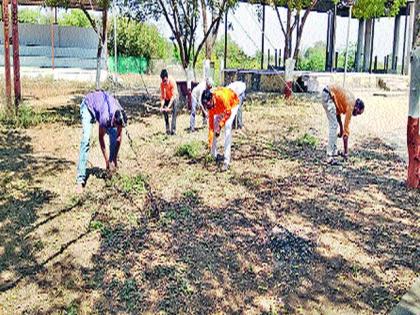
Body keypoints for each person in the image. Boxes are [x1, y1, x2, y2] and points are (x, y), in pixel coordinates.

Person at [76, 90, 127, 193]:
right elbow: (101, 138)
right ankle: (80, 180)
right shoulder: (105, 117)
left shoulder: (119, 112)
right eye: (118, 126)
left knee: (113, 136)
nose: (119, 129)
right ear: (114, 122)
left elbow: (118, 137)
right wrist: (107, 161)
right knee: (86, 139)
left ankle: (112, 167)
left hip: (102, 105)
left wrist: (114, 159)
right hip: (88, 106)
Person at [321, 84, 365, 165]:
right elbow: (346, 132)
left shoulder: (350, 101)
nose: (356, 115)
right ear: (357, 108)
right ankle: (329, 156)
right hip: (328, 95)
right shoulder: (351, 106)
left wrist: (341, 128)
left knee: (334, 125)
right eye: (358, 113)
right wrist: (346, 153)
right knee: (333, 126)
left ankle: (334, 151)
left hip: (328, 94)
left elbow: (337, 112)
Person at [201, 87, 240, 171]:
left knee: (228, 126)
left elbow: (228, 112)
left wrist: (220, 125)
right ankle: (213, 154)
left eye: (208, 105)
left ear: (211, 98)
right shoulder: (210, 108)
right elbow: (211, 127)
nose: (208, 108)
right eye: (206, 106)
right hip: (221, 108)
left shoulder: (221, 97)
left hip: (232, 105)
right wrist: (210, 142)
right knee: (215, 125)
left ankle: (226, 161)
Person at [160, 69, 179, 135]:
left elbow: (173, 97)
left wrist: (168, 107)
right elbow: (162, 97)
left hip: (174, 98)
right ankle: (167, 128)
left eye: (165, 80)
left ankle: (173, 130)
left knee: (174, 113)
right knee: (164, 111)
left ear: (167, 77)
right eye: (163, 81)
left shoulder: (172, 82)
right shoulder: (162, 84)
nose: (164, 82)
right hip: (168, 97)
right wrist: (162, 106)